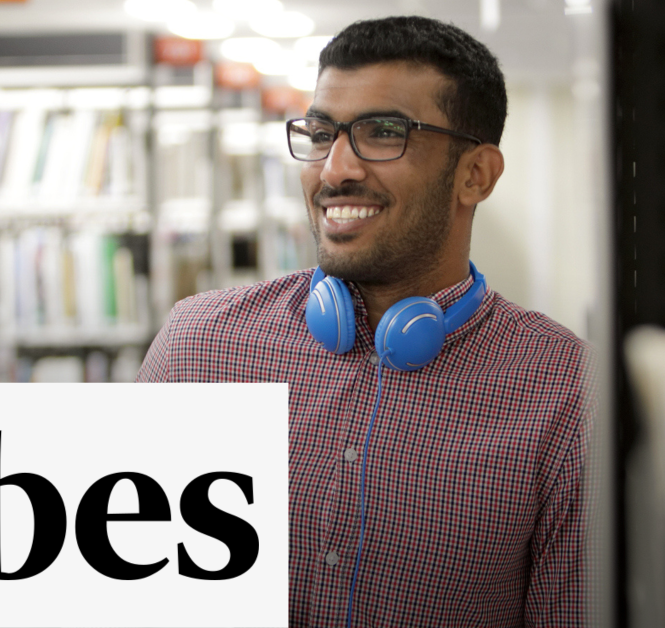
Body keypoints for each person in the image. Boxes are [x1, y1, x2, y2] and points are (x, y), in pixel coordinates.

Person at [137, 15, 591, 628]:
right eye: (322, 134)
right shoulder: (199, 347)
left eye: (383, 133)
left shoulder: (566, 391)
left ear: (475, 175)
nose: (335, 170)